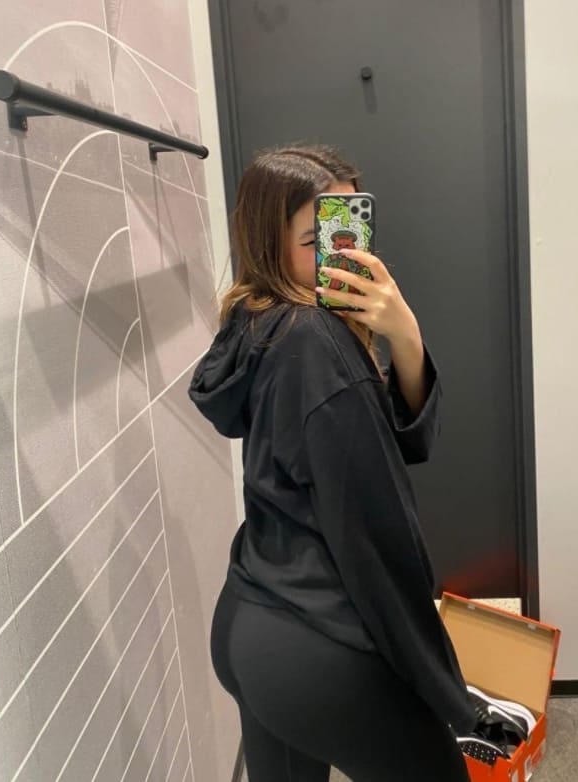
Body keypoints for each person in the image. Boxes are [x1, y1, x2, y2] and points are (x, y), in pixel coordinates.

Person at [188, 145, 475, 782]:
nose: (338, 254)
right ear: (269, 244)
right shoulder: (316, 341)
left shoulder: (258, 322)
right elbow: (376, 534)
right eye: (313, 239)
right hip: (314, 641)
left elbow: (387, 440)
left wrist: (404, 335)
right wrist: (440, 681)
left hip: (251, 614)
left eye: (347, 229)